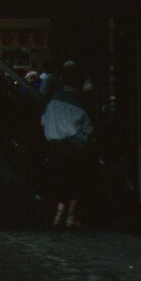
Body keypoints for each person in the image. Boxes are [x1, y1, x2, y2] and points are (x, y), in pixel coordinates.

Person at [41, 65, 97, 230]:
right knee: (75, 181)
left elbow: (44, 121)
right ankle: (71, 216)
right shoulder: (82, 102)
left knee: (59, 180)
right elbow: (88, 128)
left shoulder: (54, 100)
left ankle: (59, 213)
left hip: (55, 145)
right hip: (75, 147)